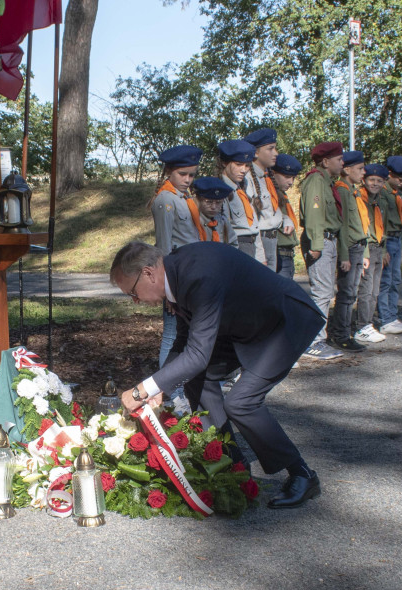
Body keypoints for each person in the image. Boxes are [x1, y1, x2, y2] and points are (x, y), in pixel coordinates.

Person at [111, 241, 324, 509]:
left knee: (241, 403)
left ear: (148, 273)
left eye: (132, 293)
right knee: (196, 377)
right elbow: (184, 340)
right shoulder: (176, 274)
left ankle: (303, 475)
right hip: (245, 326)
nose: (135, 301)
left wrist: (141, 390)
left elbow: (198, 354)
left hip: (283, 321)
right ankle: (232, 464)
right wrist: (159, 386)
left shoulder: (197, 275)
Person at [150, 145, 203, 399]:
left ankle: (177, 389)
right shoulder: (165, 201)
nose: (188, 180)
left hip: (189, 276)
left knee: (185, 333)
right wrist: (167, 289)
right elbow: (163, 247)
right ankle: (166, 392)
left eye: (192, 175)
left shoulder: (183, 198)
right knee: (172, 334)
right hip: (175, 279)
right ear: (169, 171)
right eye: (183, 174)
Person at [298, 142, 346, 361]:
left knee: (326, 291)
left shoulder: (327, 182)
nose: (342, 162)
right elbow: (314, 215)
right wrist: (316, 245)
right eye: (339, 159)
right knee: (322, 291)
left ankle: (318, 339)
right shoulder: (316, 180)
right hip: (320, 241)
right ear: (326, 161)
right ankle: (313, 342)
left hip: (329, 240)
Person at [328, 150, 369, 353]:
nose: (364, 172)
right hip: (350, 248)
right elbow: (343, 226)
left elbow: (361, 223)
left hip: (358, 246)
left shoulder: (353, 190)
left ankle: (342, 330)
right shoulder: (342, 190)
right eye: (360, 169)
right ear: (347, 169)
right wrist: (344, 255)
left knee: (351, 292)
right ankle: (341, 335)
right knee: (346, 293)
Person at [375, 156, 402, 334]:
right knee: (385, 281)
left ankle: (392, 314)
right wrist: (382, 249)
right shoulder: (382, 193)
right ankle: (385, 319)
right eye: (400, 179)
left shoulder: (396, 193)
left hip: (396, 238)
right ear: (389, 174)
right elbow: (379, 222)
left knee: (395, 280)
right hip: (387, 240)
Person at [353, 164, 389, 344]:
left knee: (375, 290)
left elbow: (383, 226)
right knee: (365, 290)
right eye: (371, 180)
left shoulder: (380, 200)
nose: (375, 183)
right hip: (365, 248)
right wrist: (364, 253)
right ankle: (362, 326)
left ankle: (368, 323)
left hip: (377, 248)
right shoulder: (359, 198)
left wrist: (385, 250)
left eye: (379, 181)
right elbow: (360, 228)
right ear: (364, 180)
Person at [242, 127, 283, 270]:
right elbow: (252, 218)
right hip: (260, 241)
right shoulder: (248, 178)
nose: (275, 153)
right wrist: (260, 254)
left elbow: (271, 209)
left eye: (275, 149)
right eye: (270, 149)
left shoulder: (266, 177)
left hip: (272, 239)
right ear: (256, 152)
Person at [217, 140, 262, 261]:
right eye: (238, 164)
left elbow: (254, 224)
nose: (243, 170)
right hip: (236, 246)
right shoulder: (220, 190)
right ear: (224, 163)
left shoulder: (243, 187)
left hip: (251, 245)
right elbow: (222, 229)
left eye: (247, 166)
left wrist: (261, 257)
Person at [270, 154, 303, 281]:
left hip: (287, 254)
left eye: (293, 178)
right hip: (278, 253)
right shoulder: (270, 195)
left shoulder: (282, 195)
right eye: (287, 177)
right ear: (273, 173)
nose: (291, 182)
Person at [188, 177, 234, 243]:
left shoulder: (222, 221)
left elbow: (233, 243)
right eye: (209, 202)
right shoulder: (192, 220)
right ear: (198, 199)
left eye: (218, 202)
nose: (213, 207)